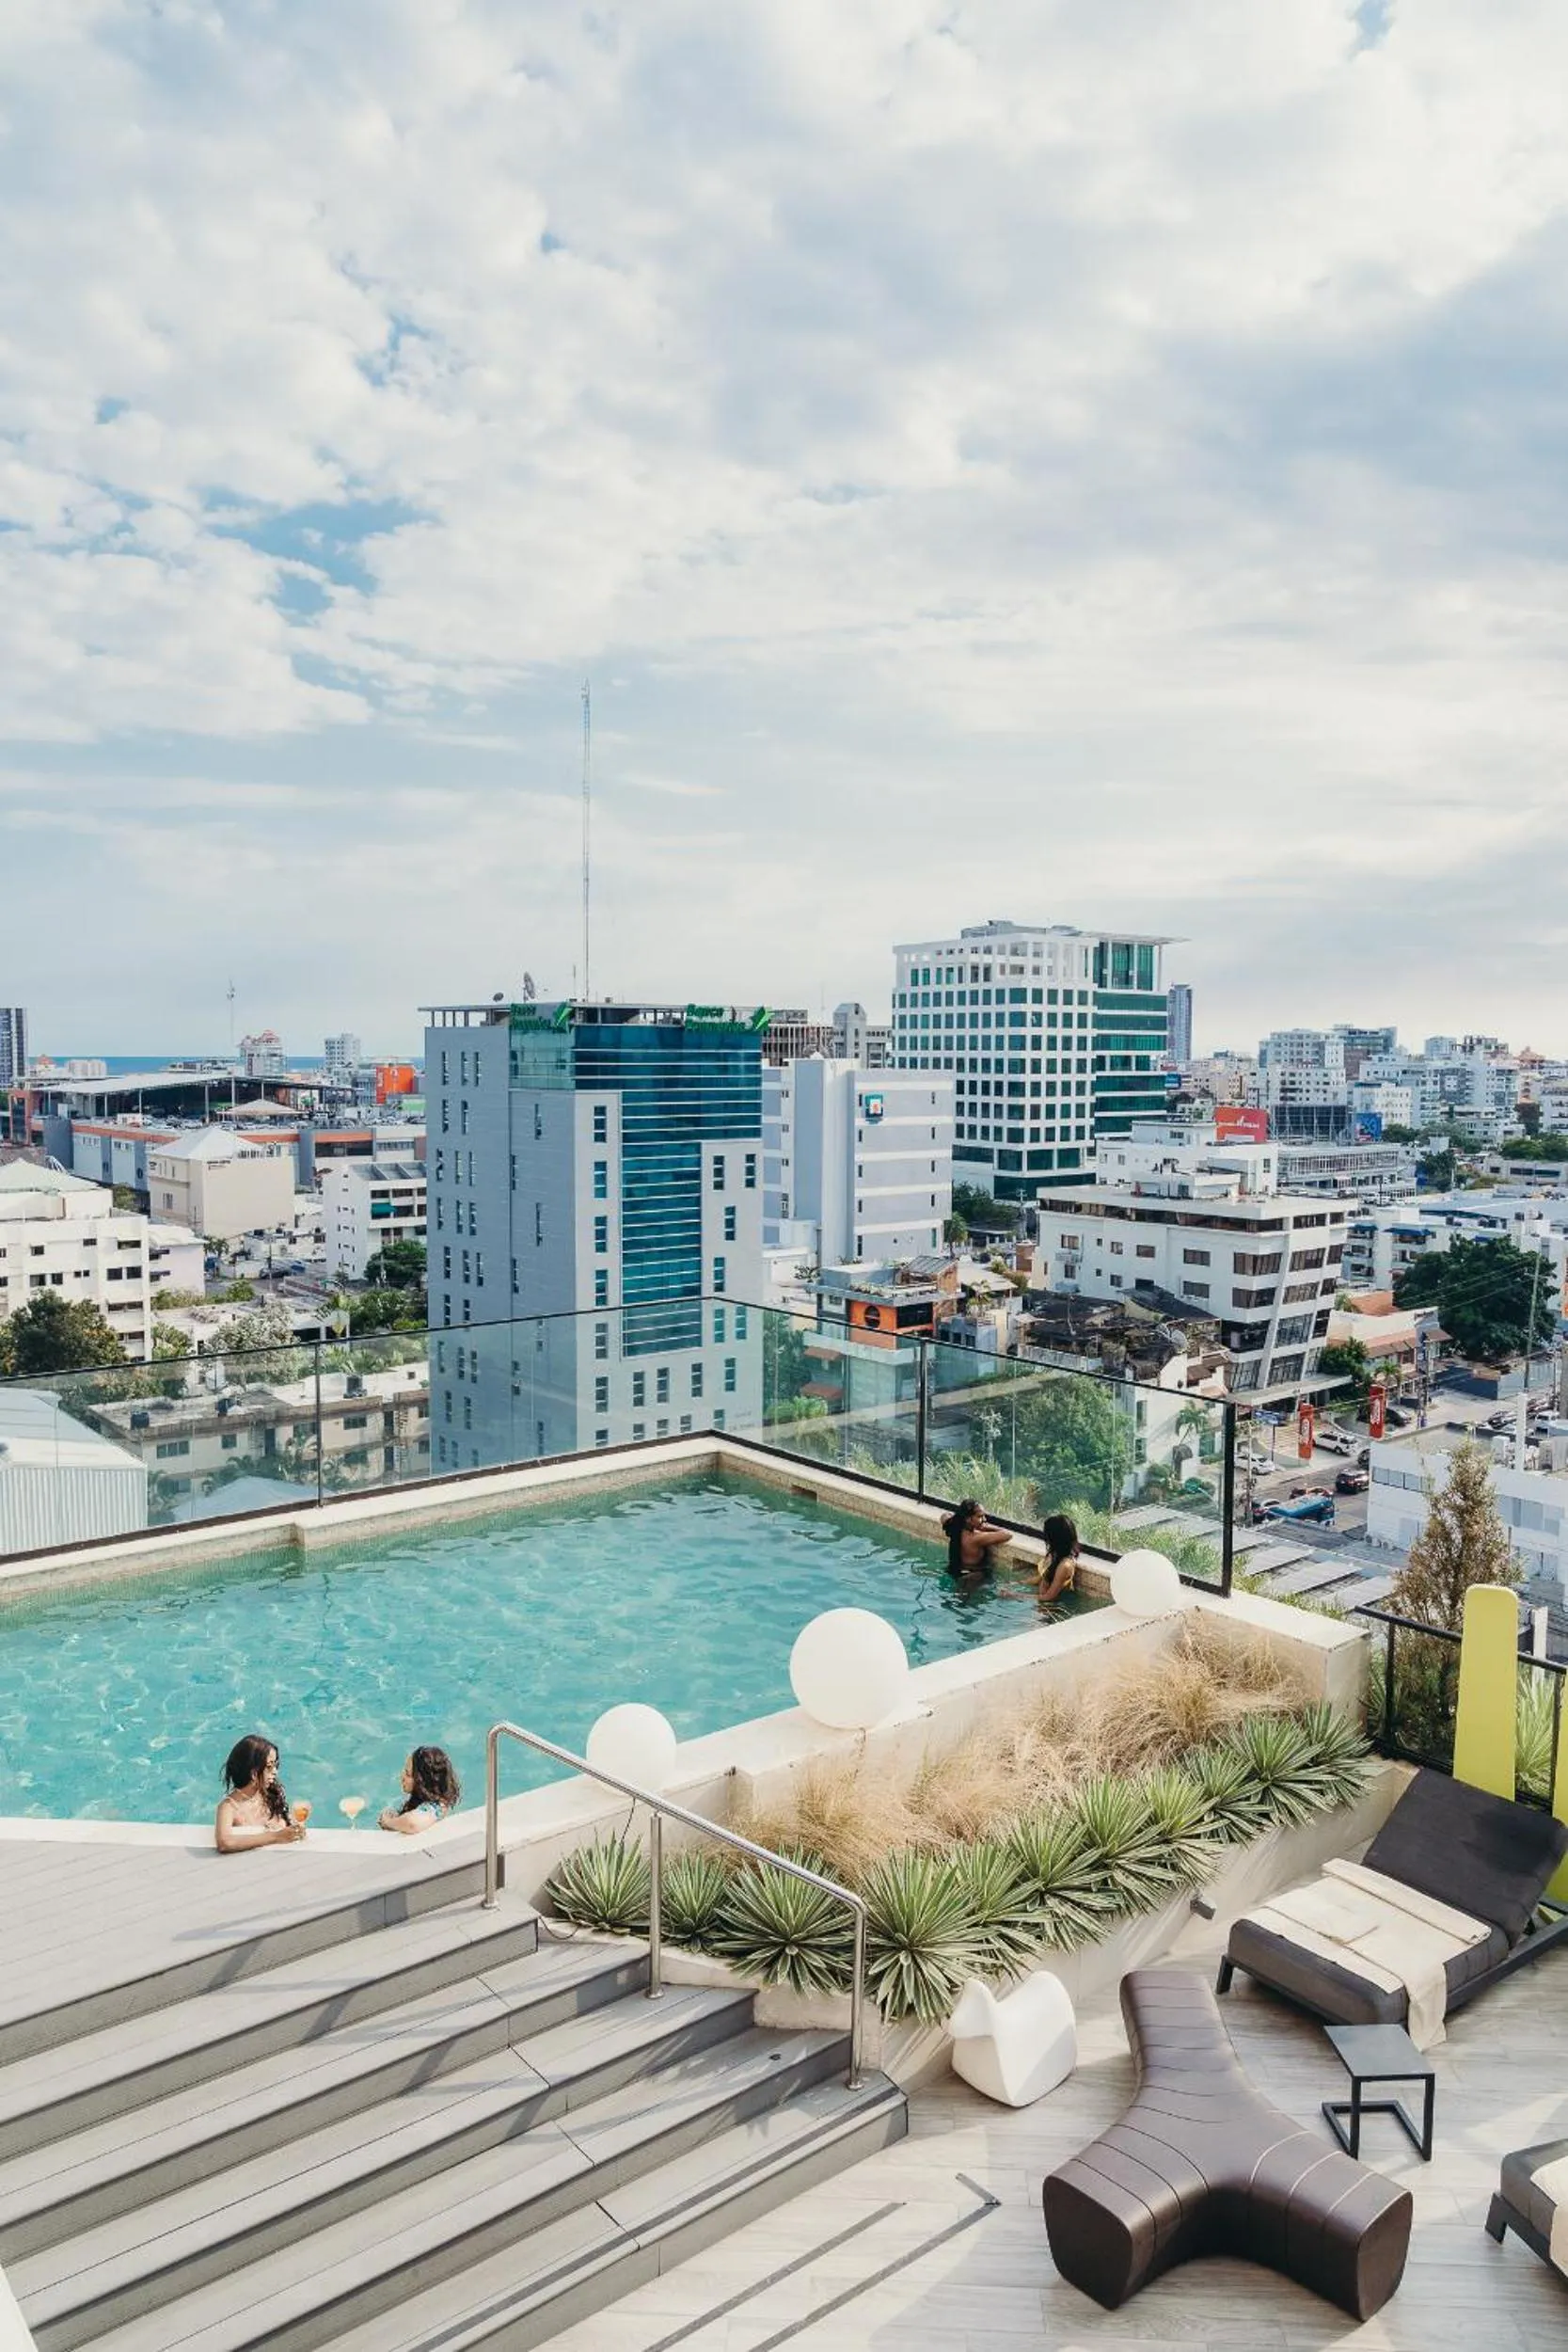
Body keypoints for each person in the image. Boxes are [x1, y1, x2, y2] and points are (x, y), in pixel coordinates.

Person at [215, 1734, 307, 1851]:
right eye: (269, 1767)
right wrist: (276, 1837)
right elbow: (225, 1843)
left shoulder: (272, 1796)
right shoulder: (229, 1807)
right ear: (253, 1773)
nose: (275, 1772)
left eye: (276, 1765)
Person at [379, 1746, 462, 1834]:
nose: (402, 1776)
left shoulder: (438, 1807)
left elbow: (412, 1823)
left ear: (423, 1782)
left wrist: (388, 1822)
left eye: (408, 1774)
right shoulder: (429, 1799)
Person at [942, 1498, 1013, 1578]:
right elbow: (1008, 1535)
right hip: (973, 1578)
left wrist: (958, 1519)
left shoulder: (954, 1528)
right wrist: (985, 1527)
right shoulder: (975, 1539)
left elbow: (944, 1516)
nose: (984, 1519)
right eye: (980, 1517)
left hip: (956, 1572)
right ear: (968, 1519)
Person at [1037, 1512, 1080, 1606]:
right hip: (1042, 1607)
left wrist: (1016, 1595)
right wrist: (1016, 1583)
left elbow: (1049, 1597)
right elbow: (1043, 1579)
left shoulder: (1065, 1565)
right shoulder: (1056, 1557)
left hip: (1051, 1612)